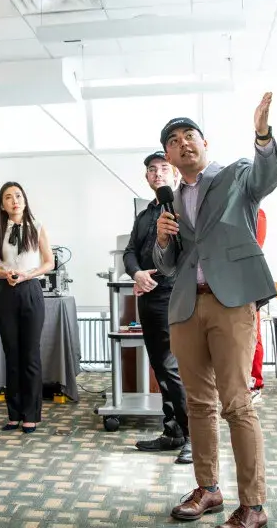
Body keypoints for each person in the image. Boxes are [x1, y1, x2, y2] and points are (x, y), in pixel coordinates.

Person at [154, 93, 277, 528]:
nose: (183, 142)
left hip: (231, 304)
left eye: (190, 135)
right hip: (187, 307)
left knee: (236, 403)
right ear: (168, 155)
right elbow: (168, 266)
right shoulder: (169, 201)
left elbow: (268, 176)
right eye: (174, 140)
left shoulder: (236, 177)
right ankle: (208, 489)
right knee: (199, 404)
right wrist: (164, 240)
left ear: (204, 143)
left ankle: (254, 505)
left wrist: (262, 134)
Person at [124, 151, 192, 464]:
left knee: (175, 368)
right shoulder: (144, 214)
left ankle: (193, 437)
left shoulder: (184, 207)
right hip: (148, 297)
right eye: (152, 170)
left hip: (176, 296)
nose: (158, 174)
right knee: (161, 367)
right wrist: (136, 272)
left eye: (164, 168)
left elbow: (188, 253)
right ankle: (172, 431)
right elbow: (130, 252)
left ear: (175, 172)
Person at [0, 182, 54, 433]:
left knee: (30, 355)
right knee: (11, 355)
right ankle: (14, 413)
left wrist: (28, 274)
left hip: (30, 290)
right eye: (8, 197)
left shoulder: (37, 228)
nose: (14, 200)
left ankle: (31, 414)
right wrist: (6, 274)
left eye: (18, 195)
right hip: (6, 291)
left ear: (24, 200)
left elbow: (49, 262)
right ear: (2, 206)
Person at [250, 208, 268, 402]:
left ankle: (255, 384)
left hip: (248, 281)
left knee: (253, 334)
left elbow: (253, 247)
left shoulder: (257, 213)